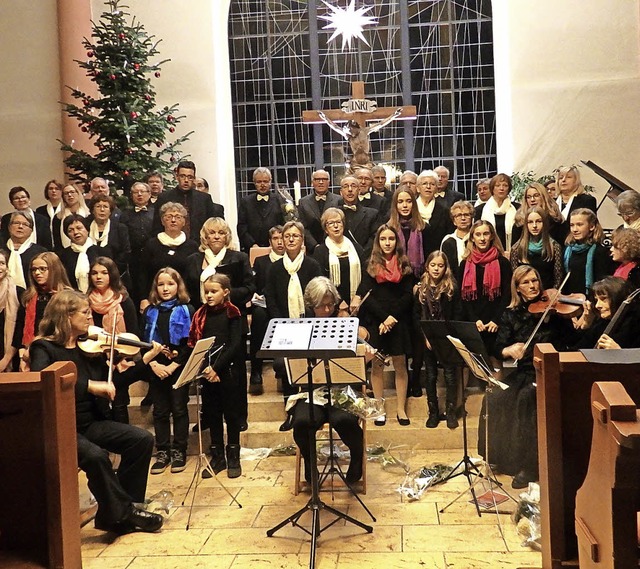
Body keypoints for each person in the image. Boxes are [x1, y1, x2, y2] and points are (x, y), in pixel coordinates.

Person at [29, 289, 165, 534]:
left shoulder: (89, 347)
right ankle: (123, 514)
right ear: (66, 316)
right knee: (95, 456)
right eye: (85, 312)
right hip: (61, 426)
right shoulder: (43, 348)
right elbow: (44, 380)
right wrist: (89, 386)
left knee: (141, 440)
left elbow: (113, 385)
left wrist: (145, 360)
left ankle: (122, 509)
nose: (90, 318)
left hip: (90, 423)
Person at [478, 266, 569, 489]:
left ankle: (530, 466)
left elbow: (573, 339)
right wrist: (508, 350)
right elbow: (498, 346)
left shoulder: (554, 313)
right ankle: (499, 456)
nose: (533, 286)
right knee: (493, 397)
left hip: (550, 371)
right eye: (526, 282)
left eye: (535, 280)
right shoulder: (511, 314)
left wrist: (578, 319)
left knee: (526, 399)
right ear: (517, 288)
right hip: (526, 371)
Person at [290, 276, 365, 485]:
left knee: (344, 420)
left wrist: (363, 351)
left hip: (343, 390)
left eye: (330, 304)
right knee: (302, 422)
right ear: (310, 304)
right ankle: (310, 461)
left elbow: (359, 360)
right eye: (321, 306)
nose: (326, 310)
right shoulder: (301, 327)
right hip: (313, 391)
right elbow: (282, 364)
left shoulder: (345, 325)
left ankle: (357, 456)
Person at [184, 217, 254, 426]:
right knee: (206, 369)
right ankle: (208, 416)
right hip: (205, 323)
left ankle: (239, 417)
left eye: (221, 233)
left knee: (236, 372)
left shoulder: (238, 258)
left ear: (227, 236)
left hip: (232, 321)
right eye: (212, 233)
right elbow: (188, 290)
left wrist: (226, 296)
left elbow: (250, 288)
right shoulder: (193, 260)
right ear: (204, 236)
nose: (216, 236)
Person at [265, 221, 322, 430]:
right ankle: (289, 412)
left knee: (309, 363)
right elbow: (270, 299)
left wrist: (306, 325)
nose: (290, 240)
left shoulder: (312, 266)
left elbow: (318, 297)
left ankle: (308, 408)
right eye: (286, 236)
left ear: (302, 240)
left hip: (309, 328)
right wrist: (282, 324)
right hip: (284, 329)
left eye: (295, 236)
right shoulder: (275, 269)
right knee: (283, 364)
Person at [188, 273, 244, 479]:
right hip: (207, 372)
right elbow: (195, 344)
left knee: (231, 414)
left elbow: (234, 345)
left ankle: (234, 456)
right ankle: (218, 456)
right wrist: (205, 368)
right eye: (206, 292)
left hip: (227, 371)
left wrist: (217, 368)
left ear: (226, 292)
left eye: (214, 291)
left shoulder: (233, 313)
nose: (209, 296)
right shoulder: (201, 314)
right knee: (212, 414)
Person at [357, 224, 414, 426]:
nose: (387, 243)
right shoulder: (370, 265)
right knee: (377, 366)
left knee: (400, 365)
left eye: (391, 239)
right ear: (378, 242)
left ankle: (400, 408)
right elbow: (367, 296)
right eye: (383, 239)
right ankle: (379, 407)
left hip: (398, 322)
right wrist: (384, 318)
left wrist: (392, 318)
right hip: (377, 321)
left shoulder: (405, 265)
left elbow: (408, 296)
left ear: (396, 242)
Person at [142, 267, 194, 475]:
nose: (165, 288)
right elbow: (143, 342)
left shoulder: (186, 309)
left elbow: (190, 343)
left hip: (178, 366)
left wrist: (173, 365)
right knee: (160, 411)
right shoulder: (150, 311)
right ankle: (162, 450)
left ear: (178, 286)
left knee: (179, 408)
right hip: (156, 367)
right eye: (161, 284)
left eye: (170, 284)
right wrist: (154, 365)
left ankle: (179, 450)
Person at [87, 257, 139, 424]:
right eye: (94, 273)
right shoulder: (85, 301)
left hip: (119, 361)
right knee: (100, 407)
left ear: (112, 275)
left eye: (104, 273)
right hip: (95, 360)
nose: (98, 277)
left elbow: (133, 334)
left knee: (119, 404)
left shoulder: (123, 301)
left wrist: (118, 355)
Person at [414, 251, 461, 429]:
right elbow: (416, 316)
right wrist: (425, 337)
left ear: (445, 268)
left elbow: (457, 313)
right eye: (433, 265)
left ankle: (450, 411)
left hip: (447, 337)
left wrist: (450, 335)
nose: (436, 269)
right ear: (427, 266)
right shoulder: (420, 289)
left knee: (450, 376)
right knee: (431, 375)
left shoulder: (451, 288)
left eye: (440, 265)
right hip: (427, 338)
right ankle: (433, 412)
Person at [458, 220, 512, 362]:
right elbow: (463, 297)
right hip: (475, 322)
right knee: (476, 364)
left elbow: (508, 295)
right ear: (472, 238)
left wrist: (496, 320)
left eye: (486, 234)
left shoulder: (503, 263)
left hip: (495, 322)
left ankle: (494, 386)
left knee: (495, 362)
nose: (482, 238)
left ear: (492, 236)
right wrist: (474, 320)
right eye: (478, 234)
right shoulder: (465, 264)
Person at [14, 252, 72, 366]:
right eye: (34, 269)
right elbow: (19, 330)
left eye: (42, 269)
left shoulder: (69, 296)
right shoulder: (28, 297)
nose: (37, 273)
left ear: (54, 270)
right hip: (31, 354)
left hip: (60, 352)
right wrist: (22, 357)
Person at [141, 202, 199, 309]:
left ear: (184, 222)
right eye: (168, 217)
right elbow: (143, 274)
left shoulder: (192, 246)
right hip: (156, 301)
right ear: (162, 221)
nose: (173, 220)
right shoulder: (151, 245)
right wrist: (144, 299)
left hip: (185, 302)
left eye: (178, 217)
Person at [248, 226, 284, 393]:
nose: (280, 241)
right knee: (259, 316)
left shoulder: (293, 261)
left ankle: (282, 368)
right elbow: (254, 286)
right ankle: (256, 370)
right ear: (270, 242)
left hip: (284, 305)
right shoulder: (261, 261)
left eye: (282, 237)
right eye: (275, 238)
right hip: (264, 304)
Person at [152, 160, 224, 240]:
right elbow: (157, 226)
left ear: (194, 178)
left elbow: (211, 225)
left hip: (198, 246)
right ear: (177, 177)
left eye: (190, 177)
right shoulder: (164, 198)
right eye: (182, 176)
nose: (186, 180)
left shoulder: (204, 199)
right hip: (170, 244)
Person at [318, 108, 402, 171]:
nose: (350, 133)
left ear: (354, 127)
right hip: (355, 162)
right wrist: (325, 118)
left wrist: (393, 115)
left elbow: (381, 124)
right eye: (349, 132)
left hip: (367, 161)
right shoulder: (349, 136)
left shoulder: (365, 131)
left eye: (350, 130)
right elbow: (335, 127)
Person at [312, 207, 364, 308]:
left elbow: (365, 275)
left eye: (339, 222)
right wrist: (339, 301)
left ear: (343, 225)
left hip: (357, 303)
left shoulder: (356, 248)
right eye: (331, 223)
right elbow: (321, 280)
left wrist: (358, 296)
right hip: (331, 304)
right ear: (325, 229)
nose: (336, 226)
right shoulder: (320, 251)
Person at [572, 276, 640, 349]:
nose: (597, 305)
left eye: (603, 299)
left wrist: (620, 352)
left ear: (618, 297)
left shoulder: (636, 323)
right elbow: (576, 352)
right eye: (596, 300)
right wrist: (586, 326)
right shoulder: (602, 323)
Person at [119, 181, 155, 306]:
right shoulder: (125, 214)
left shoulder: (155, 213)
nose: (139, 195)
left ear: (149, 194)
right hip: (133, 259)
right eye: (136, 192)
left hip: (151, 257)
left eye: (142, 192)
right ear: (131, 195)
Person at [510, 208, 564, 290]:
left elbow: (558, 277)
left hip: (548, 296)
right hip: (525, 296)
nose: (534, 226)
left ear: (545, 223)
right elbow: (515, 279)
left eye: (539, 221)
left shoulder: (554, 247)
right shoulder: (517, 248)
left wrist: (551, 294)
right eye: (530, 222)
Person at [563, 208, 613, 295]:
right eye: (572, 225)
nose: (574, 229)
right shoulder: (568, 249)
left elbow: (602, 282)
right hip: (569, 300)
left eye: (579, 225)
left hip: (590, 300)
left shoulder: (600, 251)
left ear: (592, 226)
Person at [237, 167, 285, 251]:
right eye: (259, 182)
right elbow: (241, 227)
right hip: (252, 249)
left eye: (265, 181)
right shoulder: (245, 202)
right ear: (254, 182)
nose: (262, 184)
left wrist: (277, 242)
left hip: (276, 248)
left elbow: (283, 224)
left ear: (270, 181)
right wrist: (252, 244)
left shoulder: (279, 200)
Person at [86, 195, 131, 282]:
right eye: (98, 206)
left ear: (110, 211)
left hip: (115, 275)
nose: (102, 210)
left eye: (105, 207)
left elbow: (125, 252)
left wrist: (110, 272)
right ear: (92, 210)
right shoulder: (85, 227)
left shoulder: (120, 228)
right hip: (89, 274)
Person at [475, 173, 521, 254]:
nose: (501, 188)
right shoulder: (480, 210)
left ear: (509, 189)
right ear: (492, 188)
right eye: (498, 185)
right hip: (488, 254)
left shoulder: (517, 208)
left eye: (505, 185)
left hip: (513, 254)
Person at [297, 169, 341, 252]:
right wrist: (315, 245)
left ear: (329, 182)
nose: (321, 182)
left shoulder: (338, 200)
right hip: (312, 249)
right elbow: (303, 228)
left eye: (324, 179)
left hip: (335, 246)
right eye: (317, 179)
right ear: (312, 182)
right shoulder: (303, 202)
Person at [387, 186, 426, 278]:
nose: (405, 205)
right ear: (395, 205)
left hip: (418, 278)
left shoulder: (424, 228)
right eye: (400, 202)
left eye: (409, 201)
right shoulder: (388, 229)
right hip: (394, 277)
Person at [4, 212, 47, 290]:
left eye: (25, 224)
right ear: (9, 227)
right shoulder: (1, 250)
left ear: (31, 231)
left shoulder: (40, 252)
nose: (20, 226)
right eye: (16, 223)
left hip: (33, 295)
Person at [415, 170, 454, 256]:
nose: (428, 187)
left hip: (436, 258)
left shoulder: (444, 211)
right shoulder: (411, 209)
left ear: (436, 189)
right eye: (424, 184)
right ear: (418, 188)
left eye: (432, 184)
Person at [1, 186, 52, 250]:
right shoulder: (7, 219)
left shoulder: (43, 219)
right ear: (12, 203)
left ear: (29, 199)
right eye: (16, 198)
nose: (21, 200)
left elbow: (47, 243)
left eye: (23, 197)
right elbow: (4, 240)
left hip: (38, 255)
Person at [555, 166, 597, 243]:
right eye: (561, 178)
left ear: (576, 181)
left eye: (568, 177)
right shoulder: (551, 202)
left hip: (577, 245)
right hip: (554, 248)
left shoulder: (587, 201)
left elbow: (590, 226)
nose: (563, 180)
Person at [59, 214, 100, 292]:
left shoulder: (102, 252)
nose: (75, 232)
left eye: (79, 228)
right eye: (70, 230)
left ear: (87, 229)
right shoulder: (63, 256)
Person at [338, 175, 378, 253]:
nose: (350, 190)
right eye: (346, 187)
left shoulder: (372, 214)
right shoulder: (333, 214)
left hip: (365, 258)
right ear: (341, 192)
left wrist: (362, 254)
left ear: (359, 191)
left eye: (353, 186)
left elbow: (374, 238)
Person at [440, 200, 474, 276]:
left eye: (466, 215)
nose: (463, 218)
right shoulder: (448, 241)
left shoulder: (476, 239)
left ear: (471, 218)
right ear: (454, 221)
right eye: (458, 215)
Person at [53, 184, 90, 250]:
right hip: (66, 253)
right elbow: (57, 241)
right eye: (66, 193)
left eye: (72, 192)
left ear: (78, 194)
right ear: (63, 197)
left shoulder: (89, 214)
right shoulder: (58, 217)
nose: (69, 195)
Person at [0, 250, 19, 372]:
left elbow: (20, 330)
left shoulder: (19, 293)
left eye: (1, 263)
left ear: (7, 267)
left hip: (11, 357)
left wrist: (5, 360)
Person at [35, 179, 63, 245]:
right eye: (50, 189)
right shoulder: (40, 210)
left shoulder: (66, 209)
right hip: (46, 245)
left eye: (57, 189)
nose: (53, 191)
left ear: (62, 192)